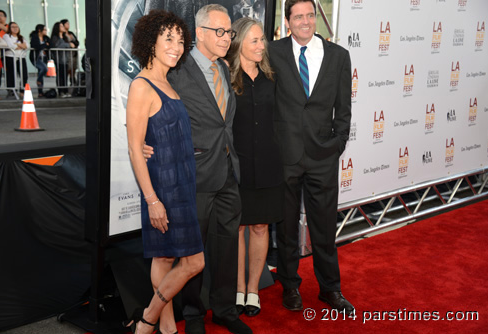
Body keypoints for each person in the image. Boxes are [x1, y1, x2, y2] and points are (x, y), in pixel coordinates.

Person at [146, 4, 252, 334]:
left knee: (225, 247)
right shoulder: (176, 69)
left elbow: (224, 122)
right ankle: (193, 315)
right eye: (220, 32)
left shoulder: (223, 68)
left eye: (229, 32)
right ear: (201, 33)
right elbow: (152, 104)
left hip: (228, 173)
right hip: (194, 175)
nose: (226, 38)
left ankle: (223, 309)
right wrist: (144, 143)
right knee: (193, 252)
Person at [268, 0, 354, 315]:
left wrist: (337, 144)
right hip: (285, 156)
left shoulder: (338, 57)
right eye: (298, 16)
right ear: (287, 20)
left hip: (323, 158)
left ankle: (330, 289)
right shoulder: (272, 53)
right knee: (287, 227)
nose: (305, 21)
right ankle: (290, 285)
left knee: (323, 227)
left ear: (316, 17)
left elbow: (343, 110)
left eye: (309, 15)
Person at [125, 9, 205, 334]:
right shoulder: (142, 86)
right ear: (151, 42)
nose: (176, 45)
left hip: (181, 184)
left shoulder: (166, 81)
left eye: (180, 39)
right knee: (193, 262)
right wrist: (152, 200)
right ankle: (148, 319)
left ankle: (167, 329)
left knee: (164, 261)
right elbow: (134, 148)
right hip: (162, 188)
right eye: (168, 38)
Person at [225, 17, 283, 317]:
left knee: (261, 227)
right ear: (239, 44)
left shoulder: (272, 77)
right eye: (255, 41)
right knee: (237, 229)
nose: (262, 46)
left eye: (263, 40)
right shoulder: (224, 76)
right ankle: (237, 289)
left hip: (269, 164)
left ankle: (253, 290)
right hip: (237, 166)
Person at [3, 21, 28, 97]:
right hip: (10, 57)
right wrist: (21, 46)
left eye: (16, 27)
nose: (15, 28)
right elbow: (11, 46)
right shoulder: (6, 36)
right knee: (11, 74)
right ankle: (11, 90)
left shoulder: (21, 37)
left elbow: (26, 46)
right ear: (9, 28)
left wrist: (17, 45)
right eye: (13, 27)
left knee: (24, 75)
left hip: (21, 57)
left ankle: (22, 90)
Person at [50, 21, 74, 98]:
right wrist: (68, 45)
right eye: (61, 26)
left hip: (66, 59)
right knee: (60, 76)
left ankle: (65, 90)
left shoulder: (65, 37)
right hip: (59, 60)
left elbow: (73, 44)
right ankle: (61, 91)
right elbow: (57, 46)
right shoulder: (55, 37)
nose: (63, 27)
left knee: (65, 76)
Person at [29, 24, 50, 97]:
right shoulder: (34, 37)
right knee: (44, 69)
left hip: (44, 57)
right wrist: (45, 45)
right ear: (39, 30)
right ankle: (38, 80)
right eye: (44, 30)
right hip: (36, 58)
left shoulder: (46, 38)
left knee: (41, 71)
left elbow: (51, 45)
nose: (46, 31)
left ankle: (40, 92)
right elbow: (36, 46)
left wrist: (45, 45)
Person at [60, 19, 79, 86]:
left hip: (74, 54)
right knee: (68, 69)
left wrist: (73, 44)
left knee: (73, 68)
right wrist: (70, 44)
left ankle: (73, 82)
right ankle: (67, 84)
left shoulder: (71, 33)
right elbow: (65, 43)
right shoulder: (62, 35)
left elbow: (77, 42)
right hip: (67, 55)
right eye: (67, 24)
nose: (68, 25)